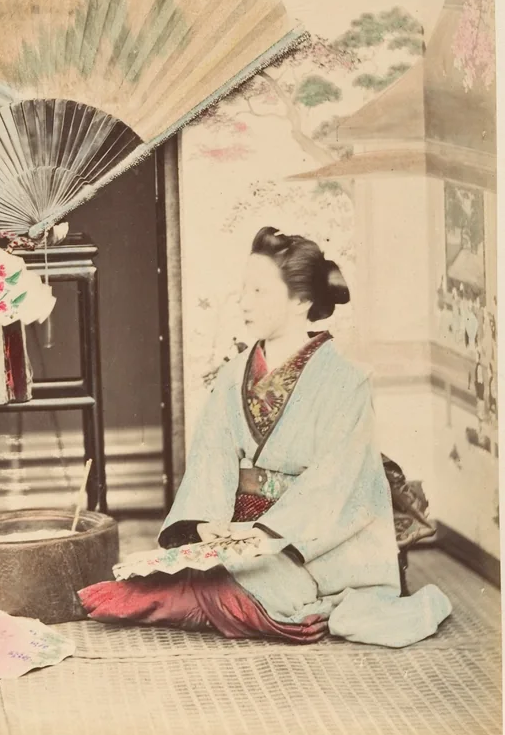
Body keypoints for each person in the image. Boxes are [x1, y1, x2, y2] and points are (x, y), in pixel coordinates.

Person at [79, 227, 452, 647]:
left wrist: (270, 533)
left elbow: (338, 480)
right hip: (238, 532)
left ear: (302, 301)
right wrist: (205, 525)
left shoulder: (346, 380)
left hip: (311, 541)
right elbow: (211, 459)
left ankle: (269, 602)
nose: (244, 302)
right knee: (167, 578)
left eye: (259, 291)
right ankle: (203, 591)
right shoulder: (233, 374)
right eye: (243, 290)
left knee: (260, 596)